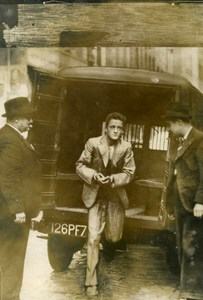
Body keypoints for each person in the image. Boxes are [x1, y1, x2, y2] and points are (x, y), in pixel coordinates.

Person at [76, 112, 135, 296]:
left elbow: (130, 172)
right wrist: (94, 175)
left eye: (119, 128)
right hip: (95, 195)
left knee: (114, 237)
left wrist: (113, 179)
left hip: (114, 196)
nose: (115, 131)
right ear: (106, 127)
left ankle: (109, 245)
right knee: (93, 238)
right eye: (112, 127)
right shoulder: (93, 143)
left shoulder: (126, 147)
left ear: (122, 130)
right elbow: (79, 165)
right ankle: (91, 283)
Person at [0, 97, 43, 300]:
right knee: (12, 258)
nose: (31, 121)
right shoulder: (10, 139)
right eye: (28, 118)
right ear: (17, 119)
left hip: (10, 211)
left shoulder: (12, 136)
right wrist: (18, 209)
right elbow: (8, 176)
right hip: (11, 213)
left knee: (10, 258)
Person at [163, 102, 203, 300]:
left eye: (170, 124)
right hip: (181, 202)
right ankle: (186, 289)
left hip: (193, 204)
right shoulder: (181, 140)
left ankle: (193, 293)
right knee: (182, 244)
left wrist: (200, 202)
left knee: (191, 246)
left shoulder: (200, 139)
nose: (169, 129)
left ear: (179, 122)